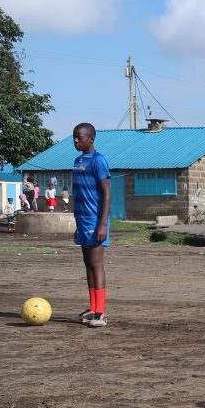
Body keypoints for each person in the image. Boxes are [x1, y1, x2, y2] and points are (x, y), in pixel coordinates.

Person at [72, 123, 111, 328]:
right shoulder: (78, 161)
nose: (76, 141)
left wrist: (103, 224)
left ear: (91, 139)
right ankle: (93, 308)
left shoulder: (98, 160)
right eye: (74, 138)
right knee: (87, 264)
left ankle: (101, 312)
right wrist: (77, 224)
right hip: (82, 220)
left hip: (96, 221)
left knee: (96, 264)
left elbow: (106, 193)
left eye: (79, 137)